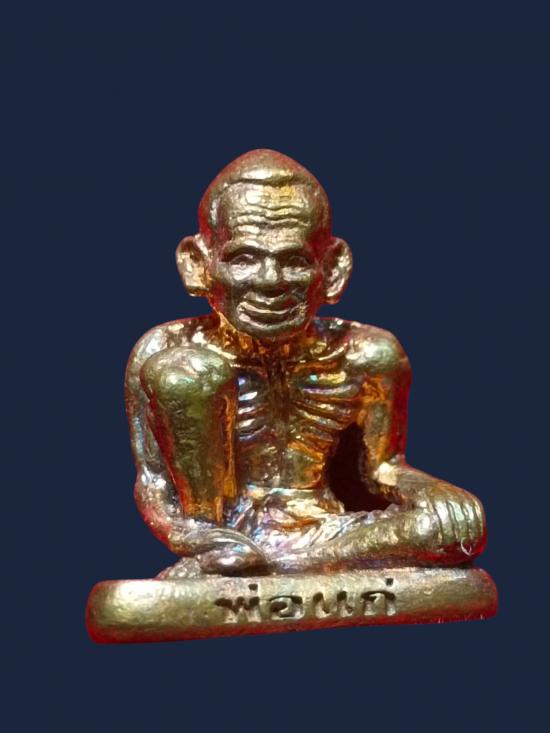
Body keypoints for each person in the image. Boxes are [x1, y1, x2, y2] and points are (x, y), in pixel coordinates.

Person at [125, 149, 486, 577]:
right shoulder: (164, 348)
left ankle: (272, 568)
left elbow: (383, 468)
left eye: (294, 261)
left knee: (455, 528)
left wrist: (432, 491)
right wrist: (195, 538)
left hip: (328, 533)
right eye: (244, 259)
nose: (270, 282)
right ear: (198, 264)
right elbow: (155, 486)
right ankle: (227, 560)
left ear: (331, 269)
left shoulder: (367, 354)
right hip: (217, 539)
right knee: (184, 374)